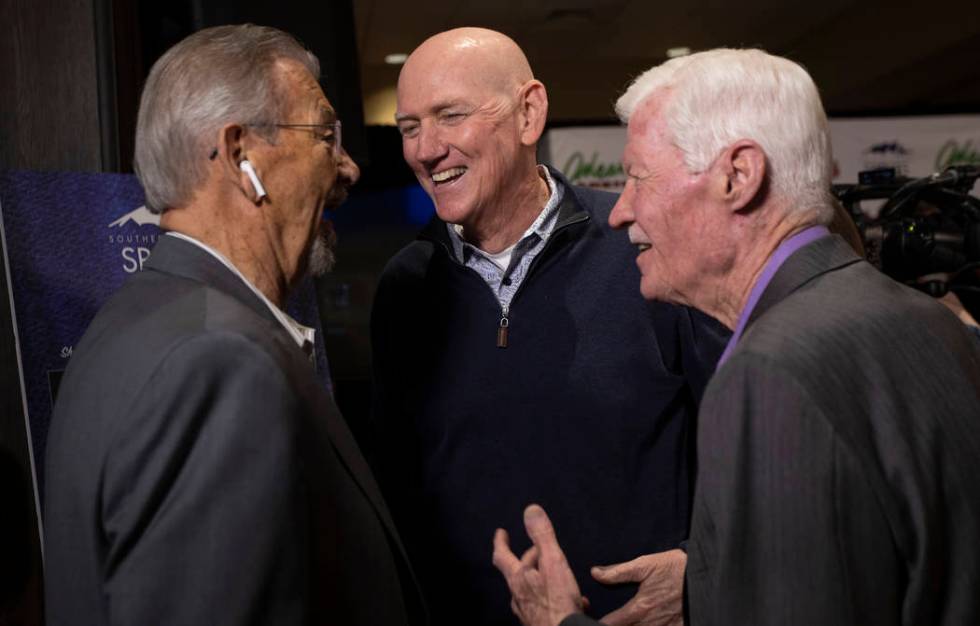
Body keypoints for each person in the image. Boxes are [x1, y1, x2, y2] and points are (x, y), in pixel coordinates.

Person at [493, 48, 980, 626]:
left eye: (637, 178)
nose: (620, 211)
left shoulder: (770, 372)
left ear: (738, 176)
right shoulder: (929, 320)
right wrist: (715, 576)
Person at [44, 24, 424, 626]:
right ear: (242, 153)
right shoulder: (219, 361)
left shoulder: (133, 323)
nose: (349, 169)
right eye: (326, 134)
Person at [371, 27, 727, 625]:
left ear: (529, 112)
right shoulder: (405, 287)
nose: (426, 149)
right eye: (409, 128)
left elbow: (746, 441)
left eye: (450, 116)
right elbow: (398, 492)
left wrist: (704, 568)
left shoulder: (639, 246)